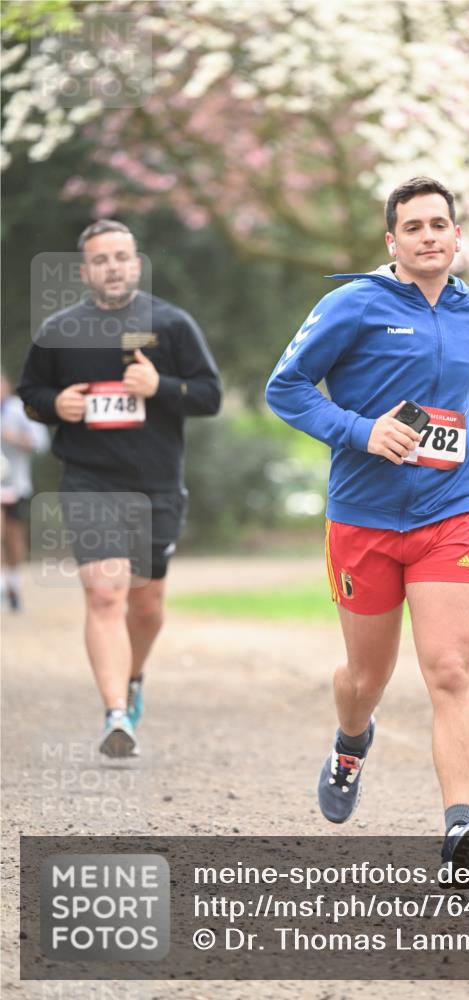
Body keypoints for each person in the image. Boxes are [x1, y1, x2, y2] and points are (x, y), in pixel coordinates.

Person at [266, 177, 469, 880]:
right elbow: (283, 388)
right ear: (392, 241)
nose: (429, 236)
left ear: (457, 234)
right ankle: (350, 744)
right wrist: (358, 431)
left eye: (439, 224)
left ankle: (459, 827)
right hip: (364, 520)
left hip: (449, 513)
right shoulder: (352, 304)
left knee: (448, 670)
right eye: (413, 227)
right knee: (365, 676)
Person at [18, 220, 222, 757]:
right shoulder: (59, 329)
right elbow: (30, 393)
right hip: (89, 479)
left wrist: (162, 387)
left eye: (122, 257)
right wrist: (53, 405)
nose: (113, 266)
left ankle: (132, 680)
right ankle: (115, 716)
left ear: (136, 264)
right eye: (101, 259)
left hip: (155, 483)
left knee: (146, 603)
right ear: (85, 271)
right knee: (105, 591)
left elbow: (209, 395)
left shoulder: (171, 324)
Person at [1, 371, 50, 611]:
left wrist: (14, 438)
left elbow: (40, 443)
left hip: (15, 484)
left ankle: (13, 584)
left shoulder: (21, 410)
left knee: (13, 535)